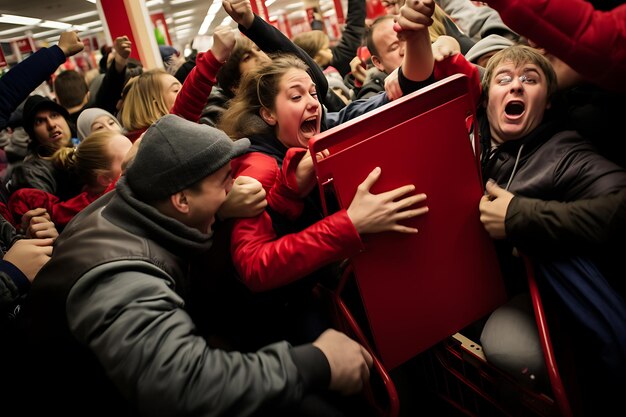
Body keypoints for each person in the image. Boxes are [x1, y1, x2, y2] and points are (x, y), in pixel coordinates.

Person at [15, 114, 373, 416]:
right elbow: (179, 384)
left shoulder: (131, 206)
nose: (235, 187)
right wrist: (316, 363)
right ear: (182, 200)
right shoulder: (121, 272)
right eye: (224, 182)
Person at [468, 45, 626, 414]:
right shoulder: (466, 134)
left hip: (520, 295)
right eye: (503, 79)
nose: (516, 87)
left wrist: (521, 216)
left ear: (549, 102)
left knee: (509, 350)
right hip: (460, 287)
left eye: (530, 79)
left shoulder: (562, 152)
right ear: (486, 98)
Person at [7, 130, 132, 229]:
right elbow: (21, 197)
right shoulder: (85, 207)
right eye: (129, 160)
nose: (137, 160)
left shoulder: (94, 192)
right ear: (104, 179)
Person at [9, 95, 84, 200]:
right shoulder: (33, 172)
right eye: (39, 121)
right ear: (33, 135)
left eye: (54, 115)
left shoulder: (85, 145)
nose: (51, 125)